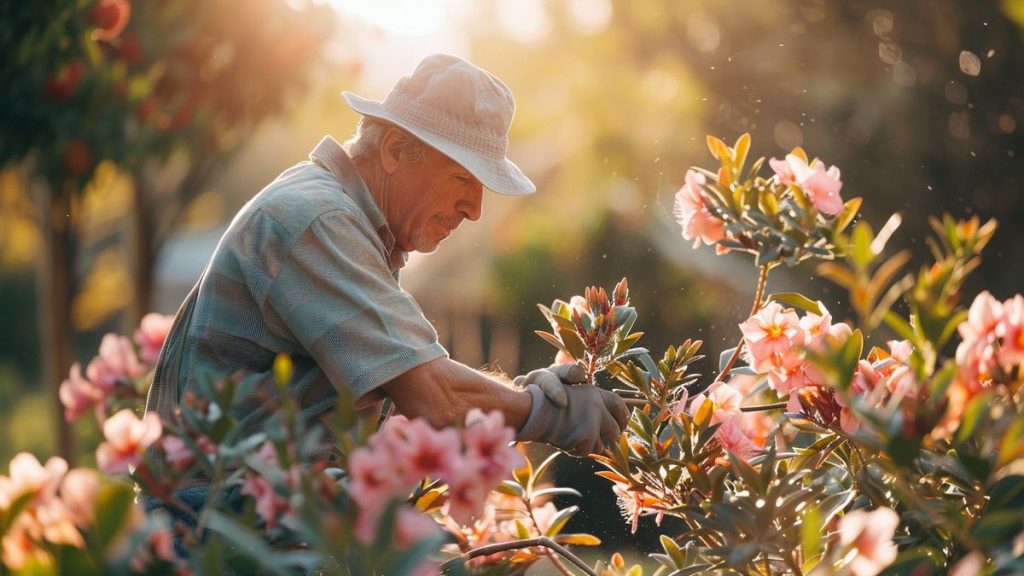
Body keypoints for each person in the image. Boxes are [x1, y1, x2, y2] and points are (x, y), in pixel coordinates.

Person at [144, 54, 628, 484]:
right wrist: (545, 413)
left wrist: (522, 395)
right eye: (463, 177)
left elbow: (414, 382)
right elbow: (432, 394)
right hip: (214, 539)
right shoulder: (318, 221)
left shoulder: (345, 222)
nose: (474, 209)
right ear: (395, 150)